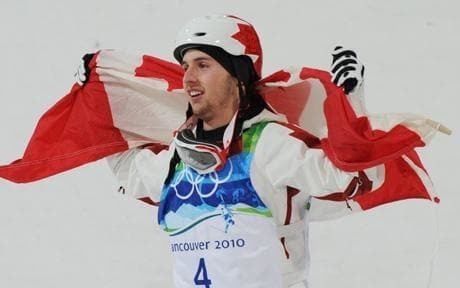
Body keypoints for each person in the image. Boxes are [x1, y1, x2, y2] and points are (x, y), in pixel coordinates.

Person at [75, 15, 379, 288]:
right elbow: (132, 173)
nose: (188, 77)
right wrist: (96, 102)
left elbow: (355, 178)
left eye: (203, 65)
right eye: (185, 66)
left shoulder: (270, 143)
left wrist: (351, 102)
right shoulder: (181, 154)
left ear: (238, 76)